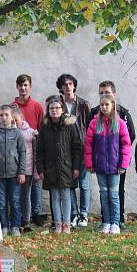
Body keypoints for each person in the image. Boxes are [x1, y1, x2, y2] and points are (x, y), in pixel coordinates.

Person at [84, 93, 132, 235]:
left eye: (107, 105)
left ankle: (115, 223)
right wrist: (89, 164)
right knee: (104, 194)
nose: (104, 107)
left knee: (114, 195)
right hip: (99, 166)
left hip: (115, 167)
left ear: (113, 106)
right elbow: (88, 144)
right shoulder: (94, 123)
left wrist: (123, 164)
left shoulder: (120, 124)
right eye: (102, 105)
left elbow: (126, 144)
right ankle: (106, 222)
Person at [91, 81, 136, 226]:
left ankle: (118, 220)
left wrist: (121, 155)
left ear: (114, 95)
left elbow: (130, 136)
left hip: (117, 160)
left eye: (107, 92)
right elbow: (89, 139)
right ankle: (106, 220)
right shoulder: (94, 114)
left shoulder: (123, 114)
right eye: (101, 92)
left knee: (117, 191)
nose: (104, 95)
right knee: (104, 192)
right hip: (101, 160)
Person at [36, 96, 83, 234]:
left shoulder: (70, 125)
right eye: (52, 108)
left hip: (67, 167)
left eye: (57, 108)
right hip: (50, 168)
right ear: (48, 110)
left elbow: (76, 147)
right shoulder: (44, 127)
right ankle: (57, 224)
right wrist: (41, 168)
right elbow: (40, 150)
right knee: (55, 196)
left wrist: (76, 167)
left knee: (66, 196)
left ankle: (67, 224)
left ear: (62, 110)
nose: (54, 110)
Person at [57, 73, 93, 227]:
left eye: (70, 84)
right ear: (61, 87)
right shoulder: (57, 104)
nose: (68, 87)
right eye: (64, 84)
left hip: (83, 147)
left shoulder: (84, 104)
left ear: (74, 85)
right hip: (65, 149)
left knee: (84, 184)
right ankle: (74, 213)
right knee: (69, 183)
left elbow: (90, 126)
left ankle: (84, 214)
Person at [0, 105, 27, 236]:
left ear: (12, 117)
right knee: (1, 202)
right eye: (1, 115)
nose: (4, 118)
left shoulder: (17, 133)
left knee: (15, 201)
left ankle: (15, 226)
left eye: (6, 115)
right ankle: (4, 226)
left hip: (15, 174)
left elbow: (22, 152)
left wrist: (21, 172)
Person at [13, 106, 38, 232]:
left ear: (21, 118)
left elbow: (35, 152)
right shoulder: (10, 132)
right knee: (14, 197)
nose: (14, 123)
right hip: (13, 170)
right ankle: (15, 221)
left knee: (26, 196)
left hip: (27, 170)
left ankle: (26, 222)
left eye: (15, 120)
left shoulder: (31, 132)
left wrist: (36, 171)